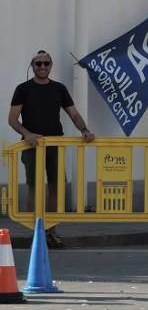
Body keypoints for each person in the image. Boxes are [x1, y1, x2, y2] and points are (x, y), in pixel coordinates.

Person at [8, 49, 95, 249]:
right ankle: (35, 233)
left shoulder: (59, 89)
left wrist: (85, 130)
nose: (42, 67)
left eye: (46, 63)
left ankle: (51, 231)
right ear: (32, 65)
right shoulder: (23, 89)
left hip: (55, 143)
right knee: (34, 187)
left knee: (57, 186)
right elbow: (12, 119)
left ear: (51, 66)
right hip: (32, 145)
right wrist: (27, 134)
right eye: (38, 63)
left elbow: (73, 113)